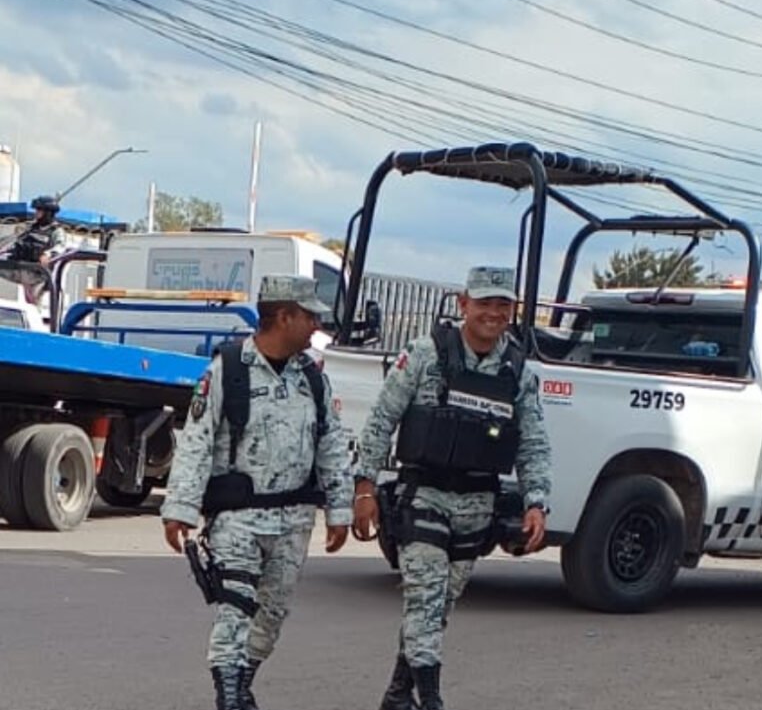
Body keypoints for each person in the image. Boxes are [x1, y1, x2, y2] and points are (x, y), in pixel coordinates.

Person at [353, 266, 552, 710]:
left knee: (437, 608)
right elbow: (382, 420)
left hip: (477, 506)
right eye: (484, 304)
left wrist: (536, 501)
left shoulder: (517, 371)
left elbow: (534, 442)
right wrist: (364, 487)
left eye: (503, 305)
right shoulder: (424, 355)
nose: (494, 314)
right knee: (424, 597)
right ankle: (431, 700)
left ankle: (398, 694)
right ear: (464, 304)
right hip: (423, 497)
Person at [161, 274, 354, 710]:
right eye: (309, 317)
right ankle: (230, 699)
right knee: (235, 608)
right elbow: (197, 439)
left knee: (271, 615)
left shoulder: (313, 379)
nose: (316, 327)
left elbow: (331, 445)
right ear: (283, 316)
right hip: (238, 521)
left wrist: (340, 509)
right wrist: (181, 508)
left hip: (293, 522)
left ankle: (241, 686)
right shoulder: (228, 369)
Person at [1, 195, 66, 304]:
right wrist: (4, 250)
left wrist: (48, 254)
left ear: (48, 213)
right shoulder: (30, 228)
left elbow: (60, 247)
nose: (36, 213)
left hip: (38, 274)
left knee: (34, 303)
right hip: (20, 267)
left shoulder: (56, 231)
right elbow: (16, 242)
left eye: (39, 210)